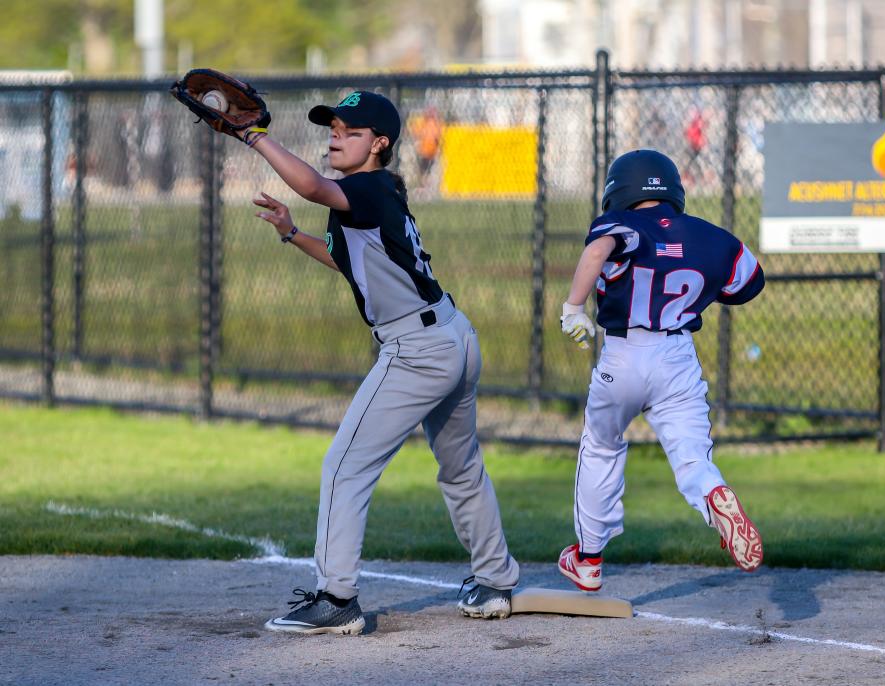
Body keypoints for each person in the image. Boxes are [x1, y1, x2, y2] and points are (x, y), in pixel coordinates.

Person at [238, 91, 519, 634]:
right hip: (453, 336)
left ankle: (336, 598)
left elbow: (313, 186)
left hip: (417, 350)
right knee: (461, 468)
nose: (335, 135)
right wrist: (292, 234)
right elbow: (347, 259)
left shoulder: (363, 187)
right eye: (334, 127)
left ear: (380, 144)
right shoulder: (374, 194)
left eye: (351, 129)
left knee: (344, 465)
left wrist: (254, 137)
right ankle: (494, 582)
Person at [556, 149, 764, 592]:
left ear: (619, 191)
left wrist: (574, 306)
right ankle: (712, 496)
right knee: (692, 457)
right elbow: (748, 281)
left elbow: (598, 249)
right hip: (678, 356)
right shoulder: (710, 235)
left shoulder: (623, 225)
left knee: (601, 445)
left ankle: (589, 558)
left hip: (625, 353)